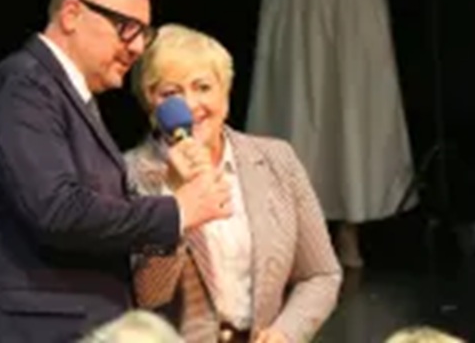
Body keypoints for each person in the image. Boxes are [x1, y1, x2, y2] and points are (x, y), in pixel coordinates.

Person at [0, 0, 233, 343]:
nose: (138, 47)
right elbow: (57, 210)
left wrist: (172, 189)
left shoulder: (63, 94)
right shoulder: (23, 89)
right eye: (127, 28)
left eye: (145, 33)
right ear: (72, 14)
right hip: (24, 329)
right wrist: (177, 210)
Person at [236, 0, 441, 267]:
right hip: (296, 3)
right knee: (295, 113)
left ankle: (350, 230)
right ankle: (296, 234)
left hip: (355, 6)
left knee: (353, 113)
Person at [124, 24, 343, 343]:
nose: (190, 105)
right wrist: (175, 198)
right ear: (150, 103)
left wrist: (287, 333)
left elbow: (320, 274)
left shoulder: (276, 160)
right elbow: (148, 296)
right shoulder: (129, 174)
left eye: (203, 87)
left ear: (225, 93)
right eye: (171, 94)